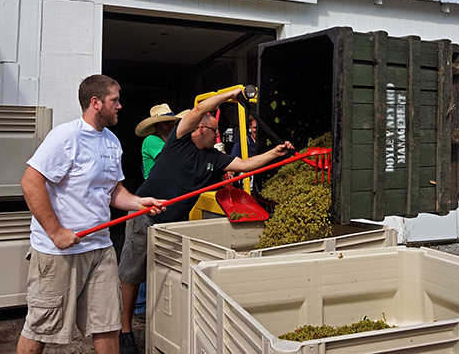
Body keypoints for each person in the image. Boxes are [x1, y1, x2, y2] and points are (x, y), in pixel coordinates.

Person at [117, 88, 294, 354]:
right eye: (215, 132)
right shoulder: (178, 141)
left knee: (167, 276)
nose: (218, 136)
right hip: (144, 214)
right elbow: (199, 110)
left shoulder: (215, 158)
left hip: (174, 225)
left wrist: (277, 153)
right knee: (132, 274)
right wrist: (231, 95)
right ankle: (125, 331)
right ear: (200, 130)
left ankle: (164, 326)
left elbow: (246, 165)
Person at [16, 74, 166, 354]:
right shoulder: (66, 137)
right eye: (115, 100)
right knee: (41, 326)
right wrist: (57, 232)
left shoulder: (111, 142)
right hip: (59, 253)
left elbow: (113, 191)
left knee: (107, 324)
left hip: (100, 248)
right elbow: (30, 182)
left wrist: (139, 203)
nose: (120, 106)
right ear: (95, 103)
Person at [131, 104, 186, 320]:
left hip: (167, 201)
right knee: (145, 254)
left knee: (163, 253)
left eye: (173, 121)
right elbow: (172, 159)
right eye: (167, 122)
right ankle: (141, 306)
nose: (172, 125)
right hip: (151, 203)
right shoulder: (152, 141)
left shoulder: (170, 140)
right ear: (157, 126)